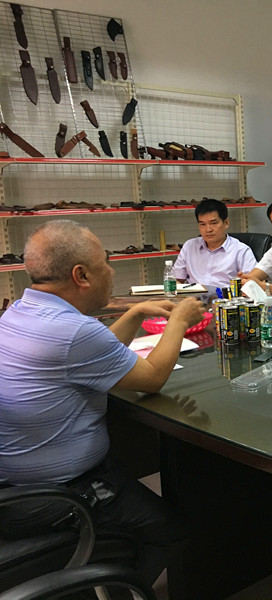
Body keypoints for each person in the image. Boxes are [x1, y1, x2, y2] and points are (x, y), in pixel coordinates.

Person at [0, 220, 206, 587]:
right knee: (172, 531)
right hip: (57, 495)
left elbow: (92, 355)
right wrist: (179, 319)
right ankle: (114, 589)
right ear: (81, 275)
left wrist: (135, 313)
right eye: (104, 263)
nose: (110, 271)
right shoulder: (75, 331)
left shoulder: (19, 311)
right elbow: (152, 377)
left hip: (16, 484)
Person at [172, 197, 257, 288]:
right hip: (194, 295)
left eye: (213, 223)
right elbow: (176, 279)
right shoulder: (189, 246)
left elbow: (253, 284)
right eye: (202, 224)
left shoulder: (241, 250)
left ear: (226, 223)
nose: (208, 229)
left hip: (225, 295)